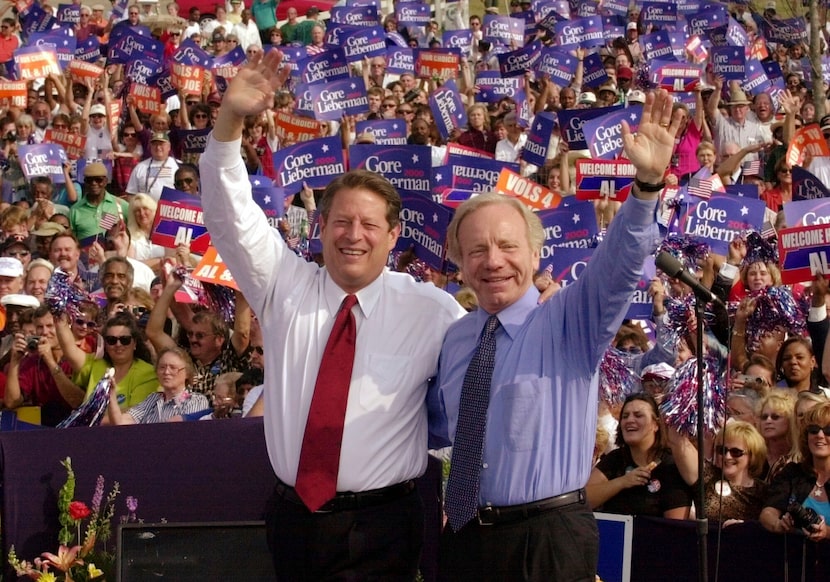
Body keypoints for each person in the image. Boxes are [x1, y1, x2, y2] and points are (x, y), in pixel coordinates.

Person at [199, 50, 466, 580]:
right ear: (320, 227)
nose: (353, 235)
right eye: (341, 221)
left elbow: (479, 392)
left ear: (393, 236)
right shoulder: (283, 284)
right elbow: (229, 213)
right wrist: (230, 121)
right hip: (295, 520)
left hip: (386, 525)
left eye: (369, 225)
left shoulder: (433, 310)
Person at [428, 89, 679, 580]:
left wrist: (646, 186)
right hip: (465, 541)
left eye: (507, 245)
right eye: (476, 250)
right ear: (459, 264)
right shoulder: (455, 341)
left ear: (538, 254)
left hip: (547, 542)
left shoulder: (569, 320)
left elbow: (617, 266)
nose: (493, 260)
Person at [587, 393, 693, 519]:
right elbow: (583, 500)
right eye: (625, 416)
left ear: (656, 425)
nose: (630, 420)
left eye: (638, 415)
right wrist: (622, 482)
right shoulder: (614, 459)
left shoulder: (670, 465)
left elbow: (675, 526)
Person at [56, 311, 157, 414]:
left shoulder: (148, 373)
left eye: (125, 340)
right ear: (105, 344)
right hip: (90, 429)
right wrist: (60, 318)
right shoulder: (96, 364)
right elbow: (70, 350)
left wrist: (90, 418)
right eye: (111, 340)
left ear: (134, 343)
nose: (118, 344)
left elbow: (135, 413)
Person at [761, 402, 830, 542]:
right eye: (814, 430)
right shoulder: (792, 473)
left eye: (828, 430)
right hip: (795, 558)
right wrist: (778, 524)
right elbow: (768, 512)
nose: (820, 435)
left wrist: (826, 532)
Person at [106, 346, 209, 424]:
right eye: (162, 367)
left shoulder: (196, 400)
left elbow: (186, 433)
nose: (166, 372)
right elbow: (120, 422)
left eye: (173, 368)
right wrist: (111, 394)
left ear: (187, 373)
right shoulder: (152, 399)